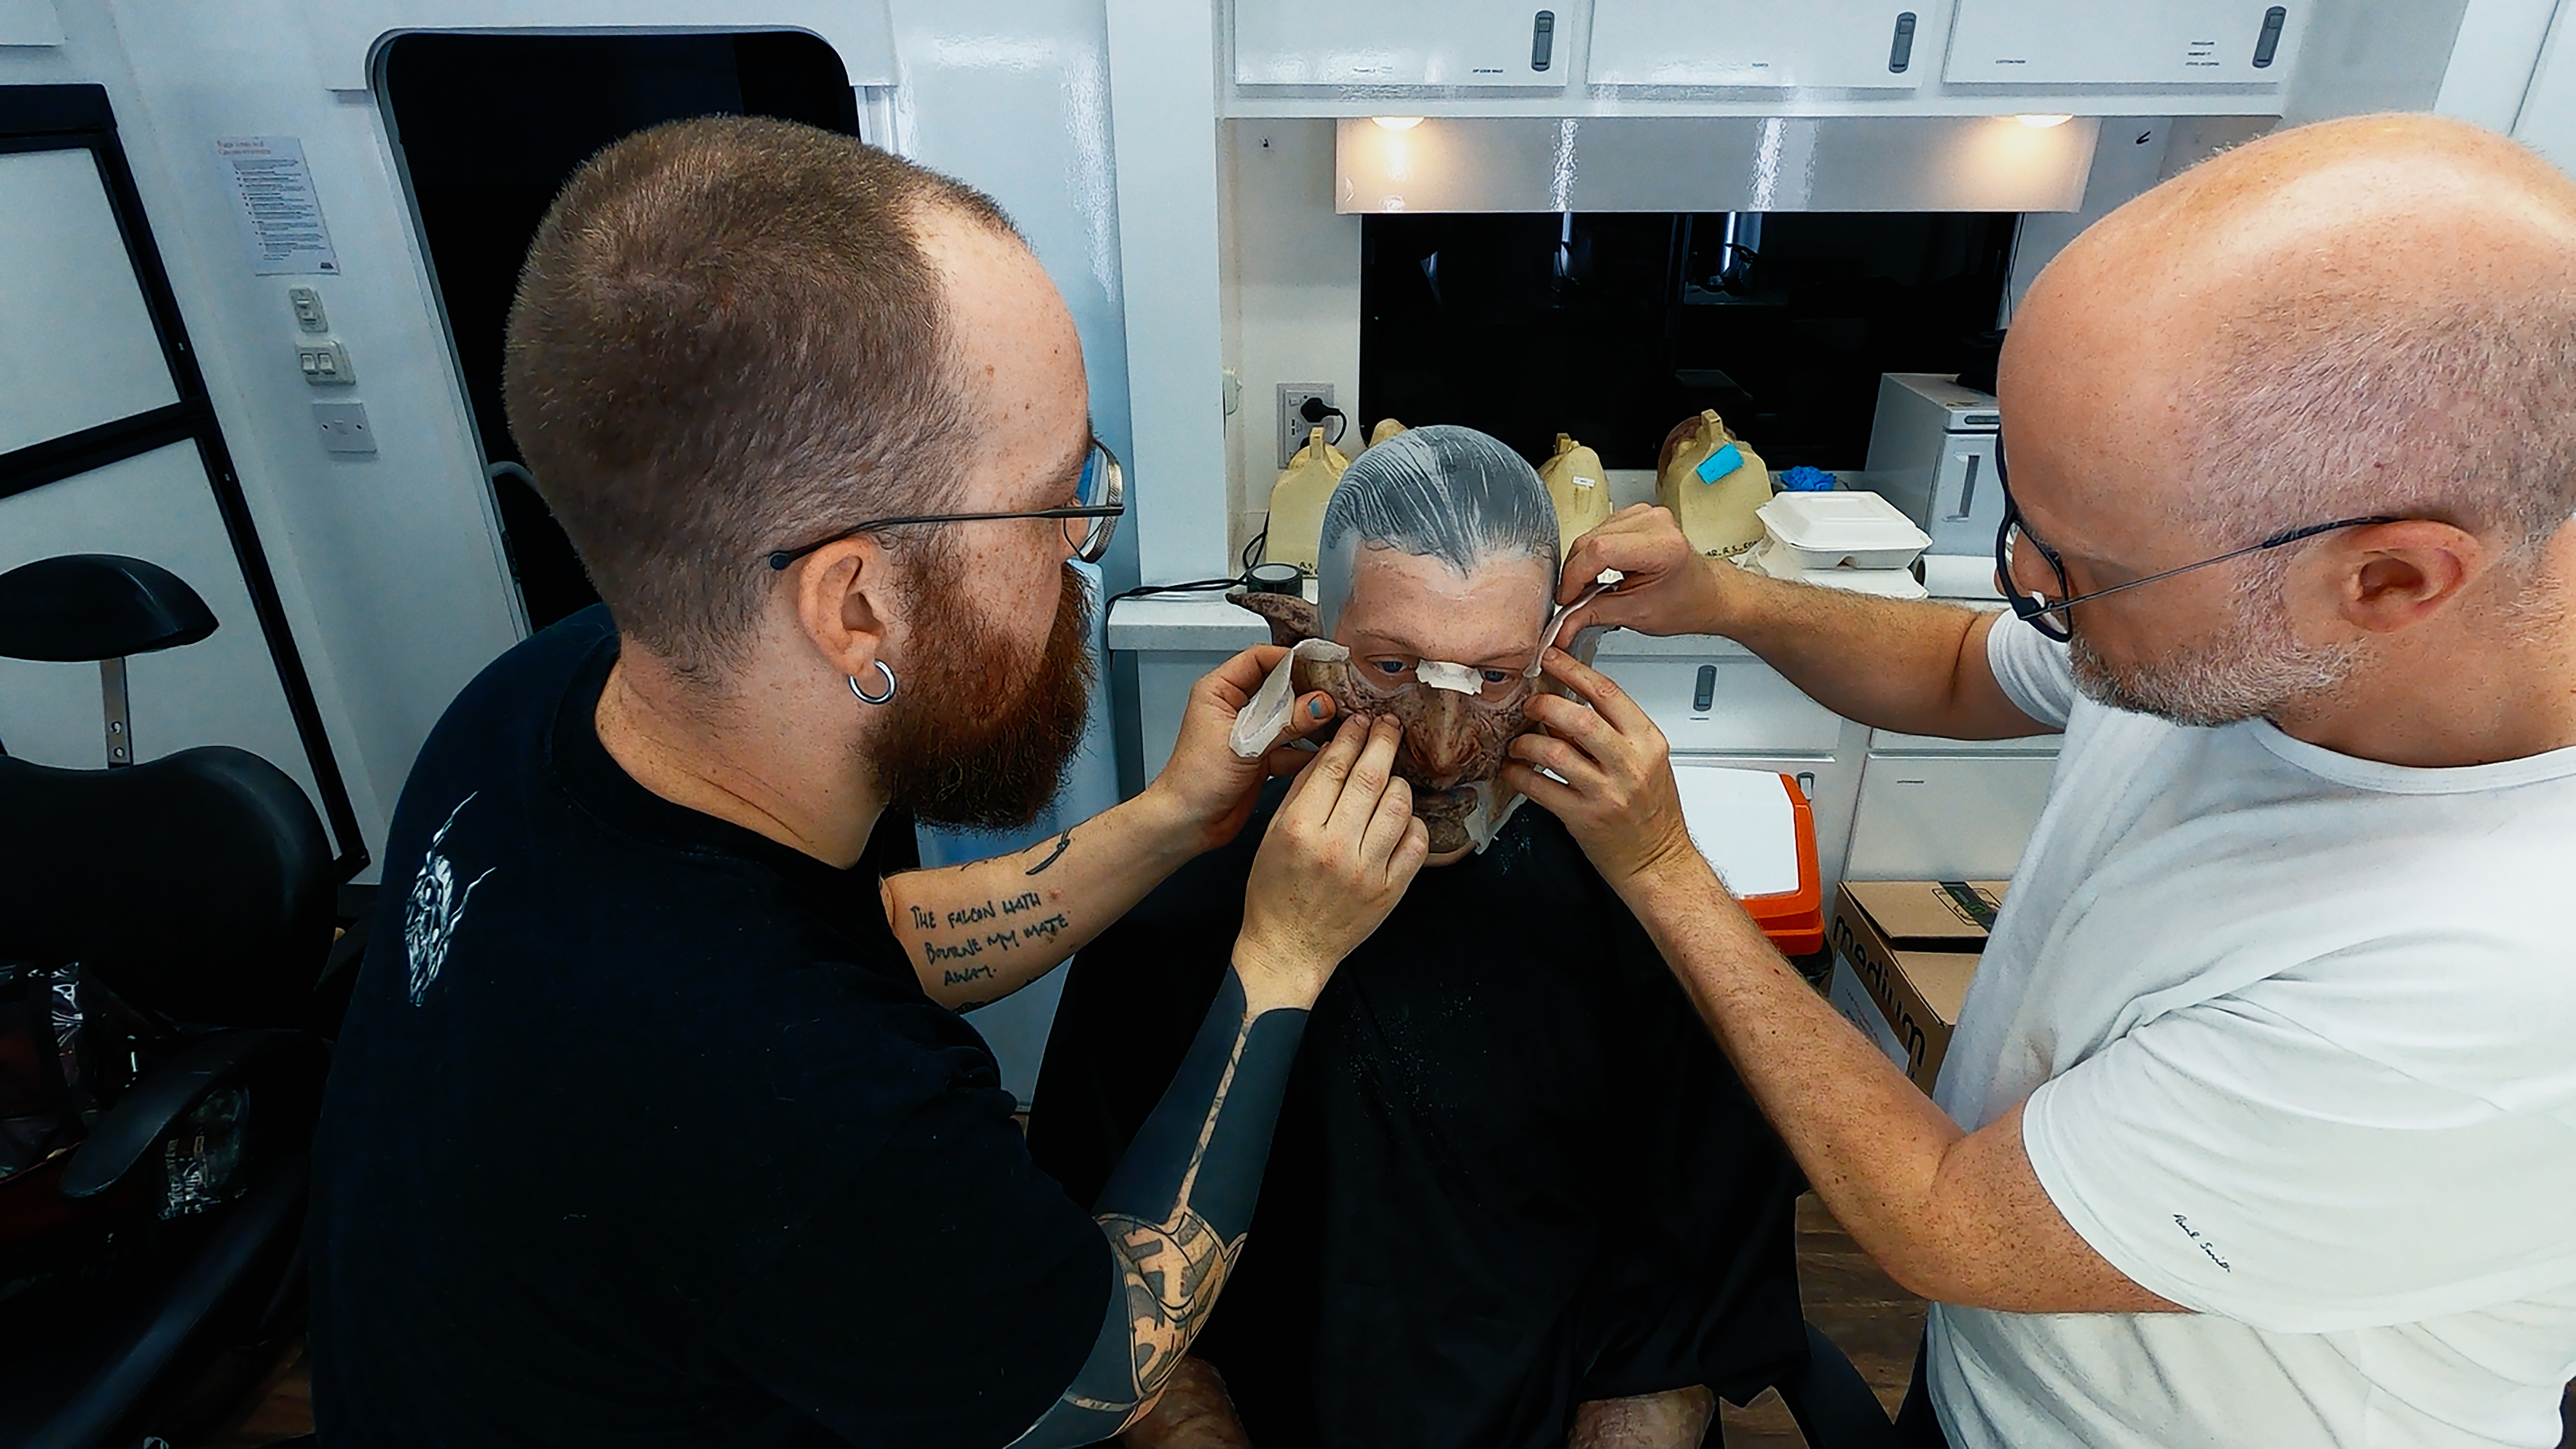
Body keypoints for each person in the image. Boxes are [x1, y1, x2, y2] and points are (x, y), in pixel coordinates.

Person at [309, 117, 1432, 1448]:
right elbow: (1097, 1370)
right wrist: (1286, 954)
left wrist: (1171, 819)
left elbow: (846, 947)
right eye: (1055, 502)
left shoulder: (549, 695)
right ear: (856, 608)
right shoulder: (787, 1107)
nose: (1084, 543)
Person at [1509, 114, 2576, 1449]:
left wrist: (1663, 866)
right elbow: (1966, 663)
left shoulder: (2494, 987)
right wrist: (1726, 596)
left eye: (2075, 564)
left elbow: (1948, 1223)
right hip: (1987, 1390)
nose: (2020, 581)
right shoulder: (2258, 635)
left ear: (2387, 579)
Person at [1029, 426, 1809, 1449]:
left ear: (1556, 661)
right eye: (1391, 666)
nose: (1443, 749)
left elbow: (1675, 1325)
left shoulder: (1645, 919)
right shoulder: (1173, 908)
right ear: (1308, 641)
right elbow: (1103, 1282)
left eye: (1492, 678)